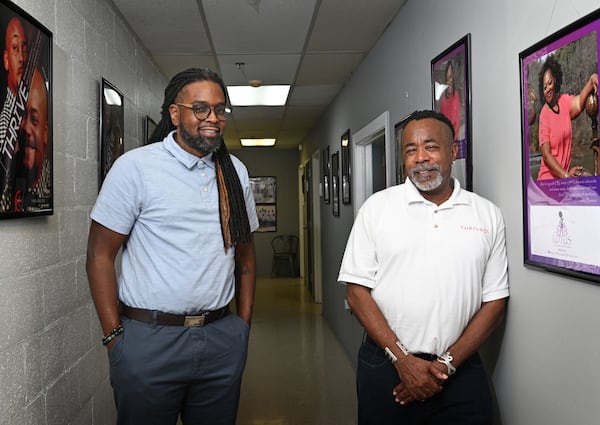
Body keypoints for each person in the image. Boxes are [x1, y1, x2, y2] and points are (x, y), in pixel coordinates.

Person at [86, 68, 259, 425]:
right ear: (174, 113)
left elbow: (245, 258)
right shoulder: (135, 168)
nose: (212, 118)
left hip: (219, 337)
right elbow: (99, 256)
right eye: (200, 108)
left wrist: (240, 328)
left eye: (220, 109)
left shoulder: (235, 172)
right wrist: (115, 339)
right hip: (148, 342)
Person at [338, 109, 509, 425]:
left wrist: (446, 365)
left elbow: (495, 303)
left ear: (453, 151)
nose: (420, 158)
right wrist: (403, 360)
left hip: (459, 369)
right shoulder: (377, 209)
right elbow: (356, 292)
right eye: (410, 150)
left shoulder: (486, 215)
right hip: (386, 366)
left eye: (430, 146)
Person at [536, 55, 598, 180]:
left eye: (550, 83)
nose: (547, 88)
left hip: (563, 179)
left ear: (556, 81)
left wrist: (592, 80)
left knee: (590, 180)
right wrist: (566, 175)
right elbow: (546, 156)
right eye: (544, 87)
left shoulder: (564, 101)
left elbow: (580, 102)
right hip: (548, 183)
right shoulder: (544, 114)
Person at [12, 67, 50, 212]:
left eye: (34, 120)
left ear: (45, 132)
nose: (26, 129)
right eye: (21, 116)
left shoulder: (47, 187)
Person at [0, 16, 27, 212]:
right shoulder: (3, 124)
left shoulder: (31, 109)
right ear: (6, 60)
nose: (22, 58)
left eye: (24, 49)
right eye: (15, 49)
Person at [439, 60, 460, 141]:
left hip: (453, 139)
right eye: (447, 78)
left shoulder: (456, 95)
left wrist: (453, 139)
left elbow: (456, 121)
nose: (449, 81)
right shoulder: (443, 97)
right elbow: (441, 120)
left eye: (450, 77)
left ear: (453, 77)